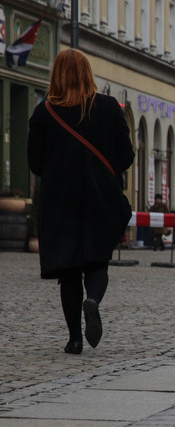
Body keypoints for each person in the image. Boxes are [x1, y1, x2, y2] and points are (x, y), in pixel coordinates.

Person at [28, 48, 135, 354]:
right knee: (97, 261)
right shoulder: (109, 107)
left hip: (60, 200)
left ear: (56, 75)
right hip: (100, 196)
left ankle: (74, 339)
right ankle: (94, 300)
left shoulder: (44, 113)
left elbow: (35, 164)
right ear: (88, 73)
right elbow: (126, 156)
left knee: (69, 270)